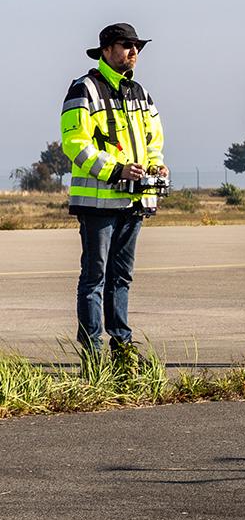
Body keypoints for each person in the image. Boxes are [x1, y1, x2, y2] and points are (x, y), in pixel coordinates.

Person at [60, 22, 168, 356]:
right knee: (95, 277)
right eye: (126, 45)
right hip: (98, 203)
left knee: (121, 277)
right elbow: (75, 144)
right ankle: (92, 350)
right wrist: (116, 169)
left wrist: (156, 166)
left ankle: (122, 345)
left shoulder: (142, 94)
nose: (134, 52)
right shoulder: (84, 89)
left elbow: (154, 142)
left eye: (137, 46)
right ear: (106, 50)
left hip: (134, 201)